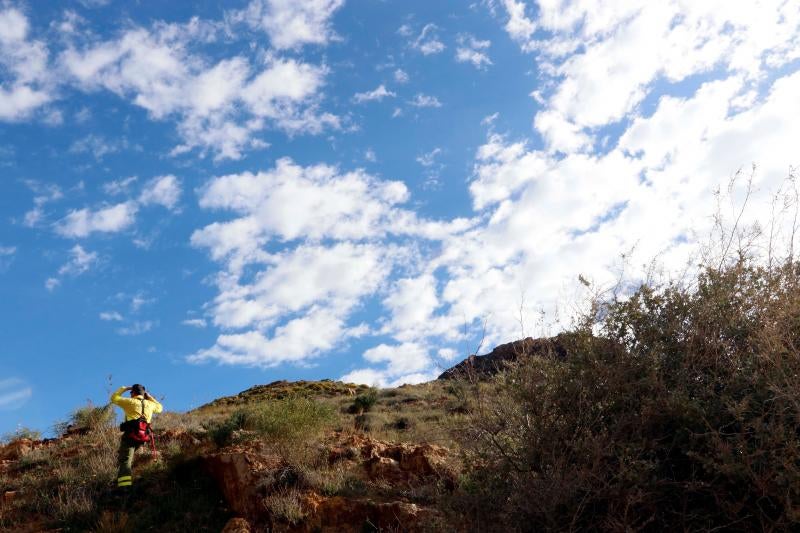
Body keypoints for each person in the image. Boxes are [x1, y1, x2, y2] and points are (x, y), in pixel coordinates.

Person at [110, 384, 163, 489]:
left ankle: (124, 487)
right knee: (131, 459)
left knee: (125, 461)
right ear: (144, 394)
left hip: (130, 437)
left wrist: (124, 388)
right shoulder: (150, 404)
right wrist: (150, 397)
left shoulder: (130, 402)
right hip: (144, 438)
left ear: (133, 393)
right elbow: (160, 408)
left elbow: (114, 398)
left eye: (131, 392)